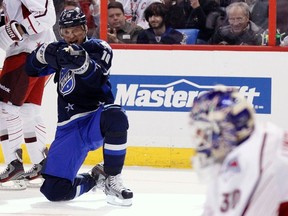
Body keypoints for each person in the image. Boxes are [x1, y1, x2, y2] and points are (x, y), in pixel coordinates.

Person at [25, 7, 133, 206]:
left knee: (116, 114)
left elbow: (97, 77)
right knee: (54, 191)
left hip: (94, 119)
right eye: (66, 31)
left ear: (84, 28)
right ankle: (96, 178)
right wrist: (40, 54)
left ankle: (112, 178)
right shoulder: (60, 52)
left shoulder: (98, 48)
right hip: (68, 127)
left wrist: (81, 63)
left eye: (75, 30)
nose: (70, 35)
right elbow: (30, 70)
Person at [190, 86, 288, 215]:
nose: (202, 139)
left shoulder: (264, 156)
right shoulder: (230, 155)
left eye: (207, 131)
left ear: (229, 131)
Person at [0, 0, 56, 190]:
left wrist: (17, 29)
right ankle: (43, 163)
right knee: (28, 110)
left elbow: (46, 15)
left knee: (4, 108)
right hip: (37, 50)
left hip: (27, 51)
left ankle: (14, 165)